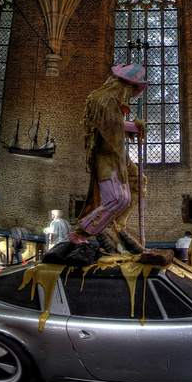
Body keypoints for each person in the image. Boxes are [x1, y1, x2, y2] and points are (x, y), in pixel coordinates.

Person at [70, 63, 147, 252]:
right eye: (130, 89)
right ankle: (82, 232)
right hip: (105, 155)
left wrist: (132, 128)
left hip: (118, 155)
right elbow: (110, 125)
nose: (130, 94)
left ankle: (119, 224)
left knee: (138, 182)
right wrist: (133, 127)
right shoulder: (103, 98)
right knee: (117, 198)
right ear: (121, 84)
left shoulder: (114, 100)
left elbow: (117, 125)